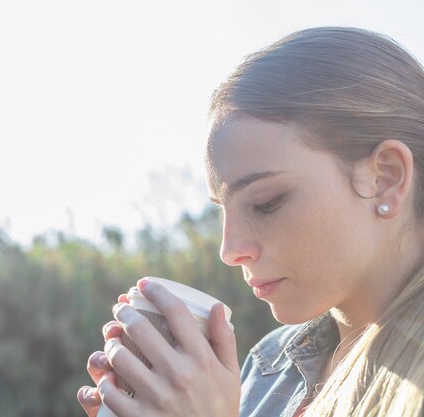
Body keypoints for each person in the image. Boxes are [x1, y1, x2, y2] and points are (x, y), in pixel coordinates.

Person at [77, 26, 424, 417]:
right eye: (222, 210)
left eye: (266, 202)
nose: (229, 251)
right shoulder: (269, 365)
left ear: (387, 178)